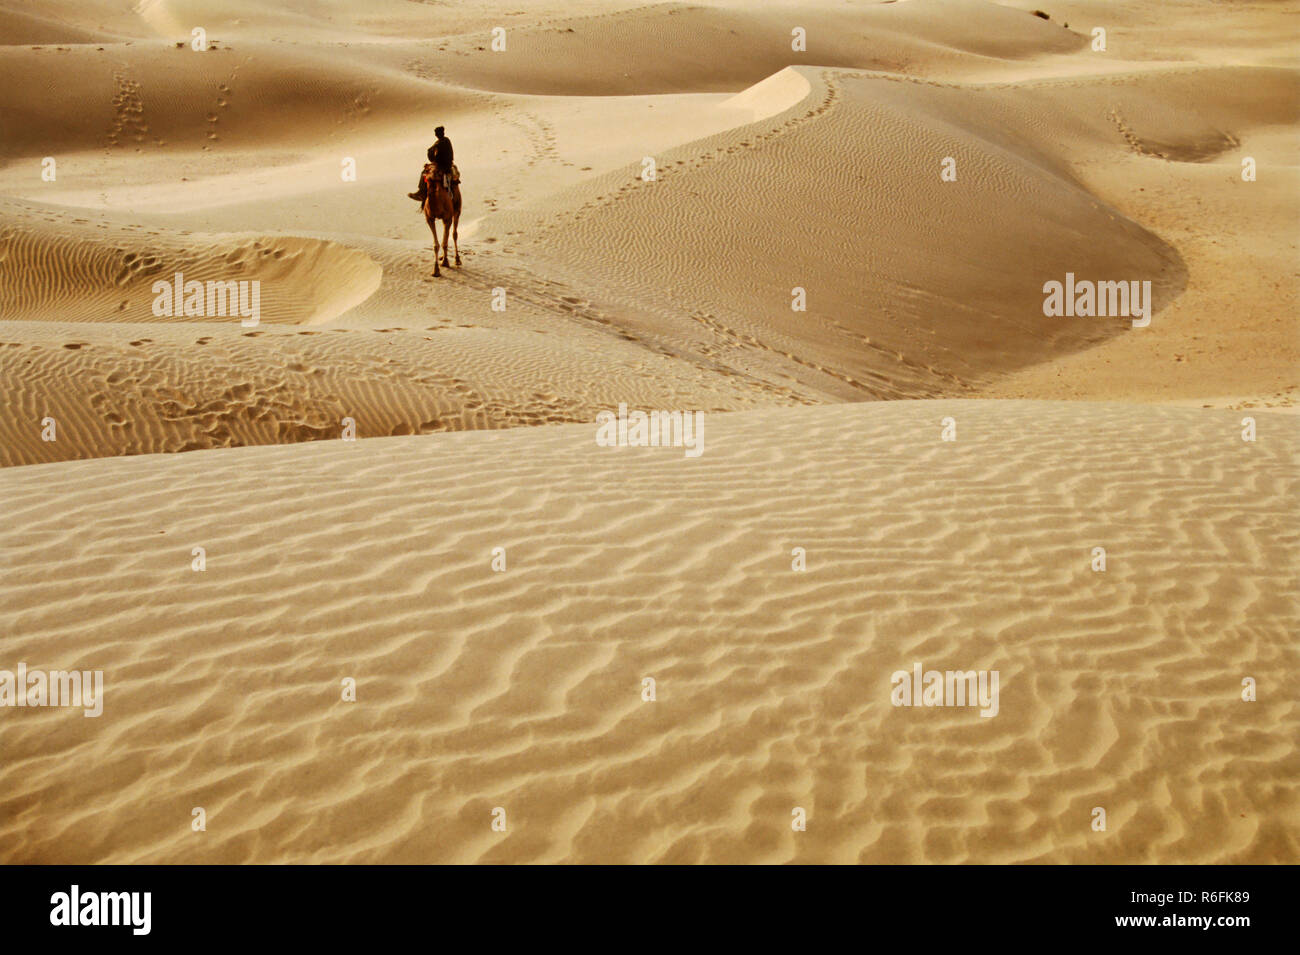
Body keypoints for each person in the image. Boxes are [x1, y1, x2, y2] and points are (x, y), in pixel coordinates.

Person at [409, 126, 457, 202]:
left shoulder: (444, 142)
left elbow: (441, 156)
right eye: (436, 133)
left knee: (428, 173)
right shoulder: (439, 143)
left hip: (445, 166)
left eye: (438, 133)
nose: (437, 135)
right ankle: (422, 191)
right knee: (425, 172)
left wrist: (435, 159)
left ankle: (448, 192)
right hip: (440, 165)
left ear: (442, 133)